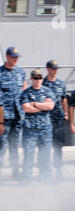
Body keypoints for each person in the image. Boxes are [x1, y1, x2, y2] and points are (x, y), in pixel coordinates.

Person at [20, 69, 55, 182]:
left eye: (39, 78)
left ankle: (45, 177)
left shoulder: (47, 91)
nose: (38, 80)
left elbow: (50, 106)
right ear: (31, 79)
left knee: (45, 154)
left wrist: (35, 104)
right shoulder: (26, 93)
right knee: (29, 154)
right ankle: (27, 177)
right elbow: (26, 108)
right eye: (35, 78)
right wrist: (42, 106)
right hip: (30, 129)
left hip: (45, 128)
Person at [0, 46, 27, 179]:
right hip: (4, 117)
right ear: (7, 56)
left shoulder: (20, 72)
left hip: (17, 116)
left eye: (17, 57)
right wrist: (0, 122)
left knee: (15, 146)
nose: (15, 59)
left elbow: (23, 89)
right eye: (13, 57)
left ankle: (16, 172)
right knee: (2, 146)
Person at [42, 60, 68, 179]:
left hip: (58, 120)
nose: (55, 71)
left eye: (56, 68)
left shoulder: (61, 84)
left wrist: (66, 113)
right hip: (46, 119)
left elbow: (63, 100)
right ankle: (45, 171)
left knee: (58, 146)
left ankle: (58, 170)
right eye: (53, 68)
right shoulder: (42, 83)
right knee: (45, 146)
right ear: (47, 69)